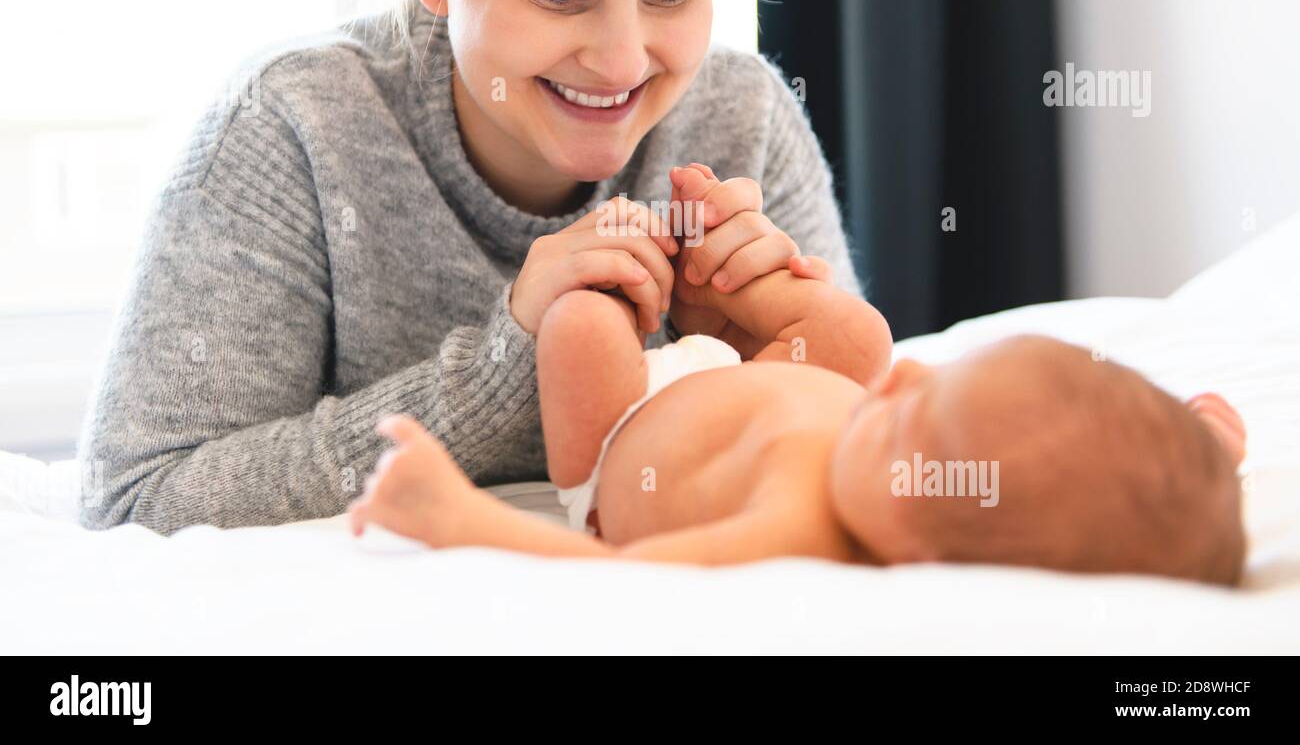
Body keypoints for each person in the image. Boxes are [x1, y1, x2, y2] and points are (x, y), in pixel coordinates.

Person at [78, 0, 860, 534]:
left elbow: (866, 439)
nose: (622, 62)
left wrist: (760, 369)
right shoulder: (292, 123)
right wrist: (507, 367)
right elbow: (138, 496)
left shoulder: (744, 110)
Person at [349, 167, 1247, 587]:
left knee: (583, 318)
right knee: (860, 333)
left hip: (631, 428)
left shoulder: (793, 527)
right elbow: (1102, 483)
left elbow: (619, 577)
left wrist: (457, 518)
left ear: (919, 560)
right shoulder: (908, 464)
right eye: (938, 380)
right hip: (753, 370)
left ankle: (640, 277)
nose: (899, 390)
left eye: (909, 427)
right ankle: (722, 270)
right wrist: (1189, 444)